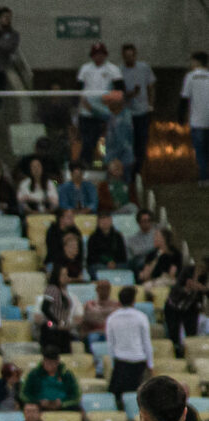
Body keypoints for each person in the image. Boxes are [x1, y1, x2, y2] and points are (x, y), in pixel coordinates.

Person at [76, 42, 123, 166]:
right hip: (86, 112)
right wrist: (83, 105)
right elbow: (78, 89)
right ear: (92, 55)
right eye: (96, 54)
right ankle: (85, 165)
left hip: (104, 113)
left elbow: (119, 91)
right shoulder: (85, 69)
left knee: (103, 141)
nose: (99, 57)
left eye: (101, 54)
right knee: (87, 141)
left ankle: (104, 165)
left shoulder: (113, 69)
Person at [105, 286, 153, 400]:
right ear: (134, 300)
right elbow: (146, 342)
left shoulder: (112, 318)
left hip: (121, 362)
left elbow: (110, 344)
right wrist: (150, 364)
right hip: (138, 361)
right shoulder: (141, 317)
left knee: (119, 396)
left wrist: (113, 362)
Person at [121, 43, 155, 176]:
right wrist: (130, 94)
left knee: (141, 142)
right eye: (127, 56)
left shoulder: (144, 68)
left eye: (131, 56)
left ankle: (138, 172)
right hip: (127, 113)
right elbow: (120, 93)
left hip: (142, 111)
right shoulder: (120, 70)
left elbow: (151, 86)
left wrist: (151, 104)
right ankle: (128, 171)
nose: (129, 59)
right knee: (129, 143)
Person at [164, 261, 208, 356]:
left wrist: (202, 288)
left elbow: (205, 292)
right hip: (174, 305)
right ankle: (176, 353)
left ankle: (189, 354)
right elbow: (176, 288)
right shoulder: (187, 271)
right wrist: (187, 288)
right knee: (173, 332)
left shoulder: (205, 278)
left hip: (191, 307)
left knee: (191, 333)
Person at [180, 51, 209, 186]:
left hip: (197, 121)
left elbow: (184, 99)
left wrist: (181, 117)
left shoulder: (191, 77)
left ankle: (204, 178)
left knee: (200, 151)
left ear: (196, 62)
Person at [37, 266, 81, 353]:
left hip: (62, 329)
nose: (66, 277)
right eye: (63, 275)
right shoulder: (52, 289)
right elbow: (45, 308)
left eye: (66, 275)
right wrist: (57, 322)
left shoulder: (65, 292)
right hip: (51, 329)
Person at [86, 210, 128, 278]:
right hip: (100, 265)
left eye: (107, 219)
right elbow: (91, 258)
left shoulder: (118, 236)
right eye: (102, 220)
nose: (105, 222)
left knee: (127, 266)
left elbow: (123, 256)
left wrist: (114, 263)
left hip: (116, 264)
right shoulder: (93, 238)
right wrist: (107, 263)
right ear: (98, 222)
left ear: (111, 221)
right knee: (95, 268)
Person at [81, 278, 120, 343]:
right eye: (102, 288)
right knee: (94, 337)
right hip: (95, 333)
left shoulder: (117, 305)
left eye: (106, 288)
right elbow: (88, 320)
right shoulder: (89, 305)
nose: (104, 291)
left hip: (112, 333)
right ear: (96, 289)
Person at [126, 208, 157, 274]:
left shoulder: (157, 235)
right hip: (140, 262)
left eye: (149, 220)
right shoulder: (133, 238)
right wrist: (153, 247)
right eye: (144, 221)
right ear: (139, 222)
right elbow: (136, 252)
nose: (147, 223)